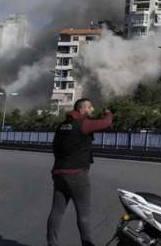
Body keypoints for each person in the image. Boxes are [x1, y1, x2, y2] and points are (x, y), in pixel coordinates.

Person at [47, 99, 112, 246]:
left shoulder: (62, 126)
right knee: (83, 212)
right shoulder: (83, 124)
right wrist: (108, 113)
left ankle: (52, 243)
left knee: (57, 210)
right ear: (82, 110)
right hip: (76, 174)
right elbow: (106, 123)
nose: (93, 109)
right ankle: (87, 244)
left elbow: (54, 147)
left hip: (58, 172)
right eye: (90, 107)